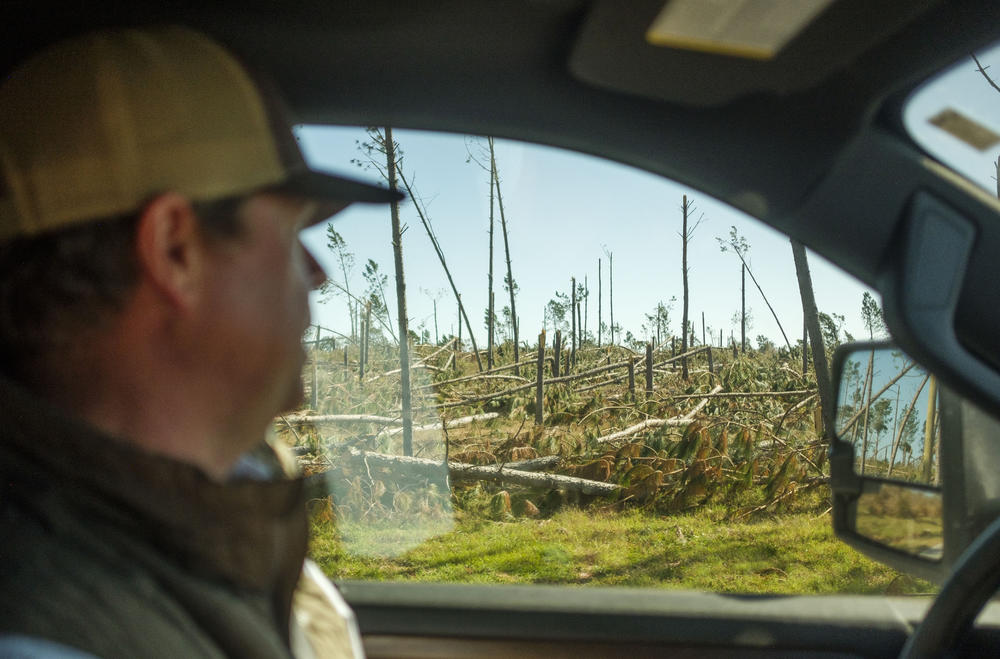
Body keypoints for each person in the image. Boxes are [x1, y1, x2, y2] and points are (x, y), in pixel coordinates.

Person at [0, 25, 399, 658]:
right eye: (293, 228)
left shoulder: (223, 514)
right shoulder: (47, 634)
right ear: (175, 250)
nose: (318, 269)